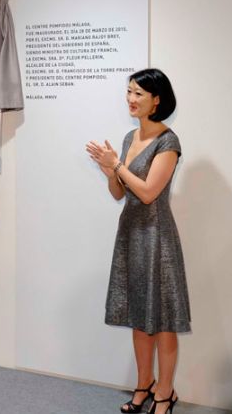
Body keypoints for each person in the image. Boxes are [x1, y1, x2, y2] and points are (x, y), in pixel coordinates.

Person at [86, 68, 190, 414]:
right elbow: (121, 192)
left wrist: (116, 165)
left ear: (157, 100)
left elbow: (148, 193)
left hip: (157, 239)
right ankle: (143, 386)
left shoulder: (168, 141)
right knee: (138, 316)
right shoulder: (130, 138)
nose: (130, 99)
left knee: (162, 321)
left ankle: (165, 393)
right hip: (130, 235)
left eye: (138, 94)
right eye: (128, 92)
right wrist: (108, 170)